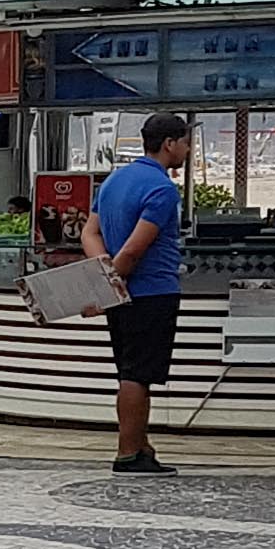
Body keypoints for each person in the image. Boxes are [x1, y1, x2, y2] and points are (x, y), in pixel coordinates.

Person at [82, 111, 192, 475]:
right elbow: (134, 249)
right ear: (169, 144)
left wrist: (104, 275)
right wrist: (113, 279)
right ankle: (128, 453)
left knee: (129, 369)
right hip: (152, 291)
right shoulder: (161, 189)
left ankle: (141, 446)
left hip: (122, 295)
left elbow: (90, 233)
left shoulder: (113, 181)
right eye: (186, 143)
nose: (188, 150)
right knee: (137, 375)